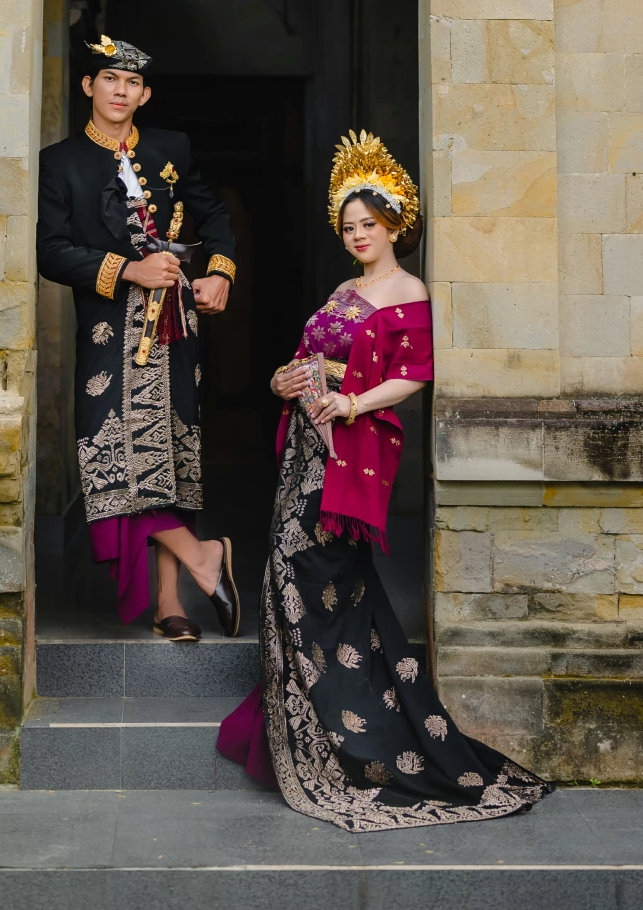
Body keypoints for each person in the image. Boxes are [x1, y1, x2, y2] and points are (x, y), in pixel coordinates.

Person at [218, 129, 552, 830]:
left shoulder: (409, 291)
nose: (358, 235)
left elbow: (413, 375)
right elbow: (306, 357)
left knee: (316, 573)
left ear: (395, 225)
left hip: (347, 447)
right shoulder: (345, 289)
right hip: (306, 446)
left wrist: (350, 403)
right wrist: (284, 381)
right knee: (292, 574)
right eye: (349, 227)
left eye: (369, 224)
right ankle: (303, 720)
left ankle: (351, 733)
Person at [37, 33, 240, 643]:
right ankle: (205, 557)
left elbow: (214, 216)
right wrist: (128, 270)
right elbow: (51, 251)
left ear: (144, 94)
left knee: (169, 456)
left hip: (176, 325)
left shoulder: (169, 147)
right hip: (107, 331)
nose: (120, 91)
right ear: (88, 86)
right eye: (109, 80)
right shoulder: (59, 162)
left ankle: (169, 604)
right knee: (110, 461)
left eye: (132, 83)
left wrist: (220, 273)